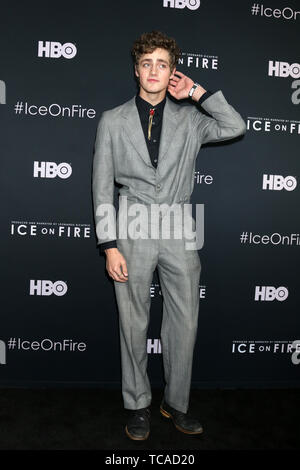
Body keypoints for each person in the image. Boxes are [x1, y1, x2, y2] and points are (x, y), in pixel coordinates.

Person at [92, 30, 246, 441]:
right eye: (146, 63)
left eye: (163, 64)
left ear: (172, 71)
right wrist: (109, 245)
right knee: (133, 320)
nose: (154, 71)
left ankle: (175, 402)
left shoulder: (193, 119)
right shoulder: (112, 120)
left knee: (184, 321)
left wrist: (197, 92)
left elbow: (235, 125)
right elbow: (102, 186)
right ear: (136, 70)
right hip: (132, 224)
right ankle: (138, 404)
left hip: (179, 223)